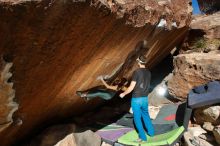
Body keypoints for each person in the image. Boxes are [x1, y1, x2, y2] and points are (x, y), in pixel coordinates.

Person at [119, 55, 155, 142]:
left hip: (137, 99)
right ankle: (151, 132)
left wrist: (123, 93)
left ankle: (143, 137)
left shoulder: (137, 72)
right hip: (145, 98)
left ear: (138, 62)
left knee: (137, 118)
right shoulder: (148, 72)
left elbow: (131, 87)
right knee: (146, 115)